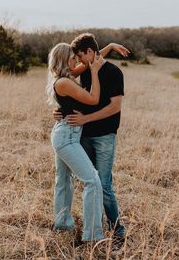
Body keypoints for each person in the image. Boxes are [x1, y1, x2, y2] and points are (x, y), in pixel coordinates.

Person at [54, 33, 128, 242]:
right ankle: (89, 226)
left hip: (105, 136)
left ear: (89, 53)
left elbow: (114, 107)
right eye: (74, 57)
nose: (77, 61)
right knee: (88, 182)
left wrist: (86, 118)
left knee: (102, 184)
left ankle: (116, 228)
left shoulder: (114, 72)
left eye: (79, 56)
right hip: (82, 136)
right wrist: (62, 111)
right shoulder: (86, 69)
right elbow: (67, 87)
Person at [46, 42, 105, 242]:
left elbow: (90, 61)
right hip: (67, 137)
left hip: (66, 133)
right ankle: (93, 236)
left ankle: (62, 225)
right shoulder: (64, 82)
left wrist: (110, 47)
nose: (77, 61)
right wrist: (95, 73)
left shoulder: (67, 77)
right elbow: (93, 99)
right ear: (64, 60)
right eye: (73, 58)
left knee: (63, 181)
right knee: (92, 181)